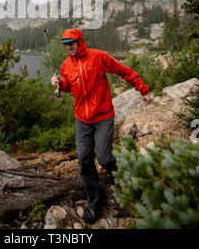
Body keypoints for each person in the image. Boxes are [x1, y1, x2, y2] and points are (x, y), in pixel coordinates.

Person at [51, 28, 151, 224]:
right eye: (66, 44)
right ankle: (95, 202)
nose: (69, 47)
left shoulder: (97, 57)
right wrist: (59, 85)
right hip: (82, 119)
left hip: (103, 115)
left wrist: (142, 89)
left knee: (104, 157)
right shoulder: (65, 66)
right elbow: (69, 88)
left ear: (79, 41)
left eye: (71, 42)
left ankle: (114, 172)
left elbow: (122, 70)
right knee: (84, 160)